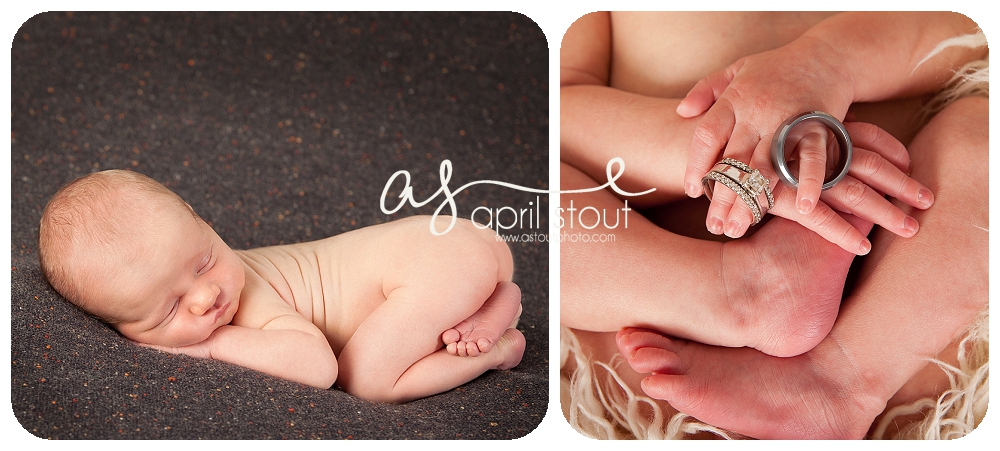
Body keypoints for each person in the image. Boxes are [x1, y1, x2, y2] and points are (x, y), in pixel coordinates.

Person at [560, 11, 987, 439]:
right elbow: (562, 109)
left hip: (896, 322)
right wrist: (727, 158)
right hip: (669, 320)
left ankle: (840, 382)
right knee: (517, 190)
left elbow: (970, 34)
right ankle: (732, 289)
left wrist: (825, 62)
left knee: (984, 130)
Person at [37, 169, 525, 403]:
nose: (208, 298)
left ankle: (496, 349)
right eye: (169, 312)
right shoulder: (210, 280)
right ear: (119, 327)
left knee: (367, 381)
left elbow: (317, 366)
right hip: (455, 247)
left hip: (434, 260)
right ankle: (488, 298)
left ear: (201, 220)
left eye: (205, 261)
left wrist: (213, 347)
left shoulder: (246, 294)